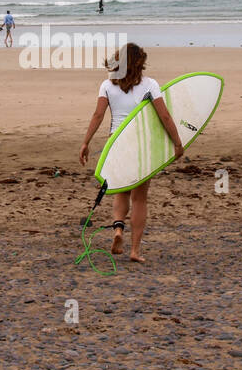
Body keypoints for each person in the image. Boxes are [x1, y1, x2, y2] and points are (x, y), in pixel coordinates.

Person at [78, 43, 183, 263]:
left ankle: (118, 230)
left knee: (120, 191)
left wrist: (86, 142)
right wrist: (177, 143)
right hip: (140, 146)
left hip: (115, 144)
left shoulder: (107, 85)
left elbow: (98, 115)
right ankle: (135, 251)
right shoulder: (150, 84)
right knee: (140, 198)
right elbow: (164, 117)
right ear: (139, 62)